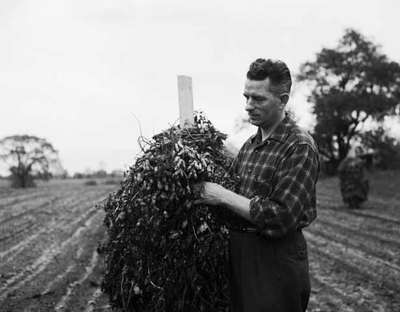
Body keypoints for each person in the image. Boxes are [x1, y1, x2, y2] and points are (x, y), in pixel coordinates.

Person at [194, 58, 320, 312]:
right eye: (246, 97)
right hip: (241, 253)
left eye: (258, 99)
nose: (249, 106)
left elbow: (280, 217)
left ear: (283, 100)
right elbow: (231, 197)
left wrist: (222, 195)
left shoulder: (299, 147)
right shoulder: (249, 146)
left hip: (275, 259)